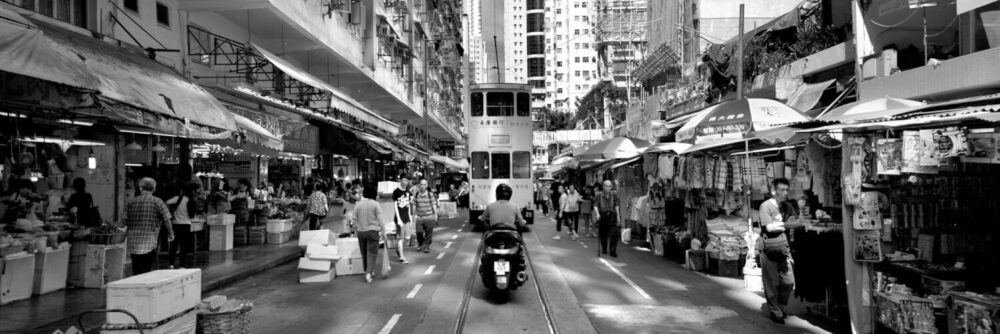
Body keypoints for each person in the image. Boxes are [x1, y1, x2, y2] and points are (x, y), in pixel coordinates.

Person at [757, 178, 796, 324]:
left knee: (788, 281)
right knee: (771, 282)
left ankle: (779, 306)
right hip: (768, 249)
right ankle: (775, 311)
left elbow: (796, 222)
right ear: (773, 191)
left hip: (784, 249)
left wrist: (781, 224)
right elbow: (769, 227)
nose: (785, 193)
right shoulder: (765, 206)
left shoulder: (788, 206)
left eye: (787, 190)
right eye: (782, 190)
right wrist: (787, 224)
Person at [124, 178, 173, 275]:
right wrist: (171, 233)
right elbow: (167, 220)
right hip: (149, 242)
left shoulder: (131, 202)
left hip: (133, 243)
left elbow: (124, 220)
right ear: (154, 189)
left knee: (136, 269)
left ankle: (136, 286)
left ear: (140, 188)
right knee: (146, 270)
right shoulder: (157, 201)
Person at [349, 184, 385, 283]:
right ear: (374, 193)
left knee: (364, 252)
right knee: (372, 253)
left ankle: (369, 270)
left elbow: (354, 220)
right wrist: (384, 232)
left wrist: (356, 231)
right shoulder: (375, 204)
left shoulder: (358, 204)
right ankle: (368, 273)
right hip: (373, 231)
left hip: (361, 232)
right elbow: (380, 219)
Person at [166, 183, 201, 269]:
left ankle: (171, 264)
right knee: (183, 246)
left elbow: (166, 202)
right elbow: (192, 216)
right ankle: (182, 265)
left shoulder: (178, 198)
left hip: (175, 224)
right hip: (186, 225)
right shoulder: (192, 201)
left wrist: (169, 213)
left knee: (173, 245)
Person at [594, 180, 621, 257]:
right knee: (603, 234)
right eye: (606, 186)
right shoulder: (599, 195)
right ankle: (604, 248)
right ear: (603, 186)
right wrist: (597, 214)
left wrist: (618, 216)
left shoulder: (614, 195)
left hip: (612, 215)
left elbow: (616, 205)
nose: (608, 188)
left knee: (614, 233)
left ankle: (613, 251)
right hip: (603, 215)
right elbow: (595, 205)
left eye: (609, 186)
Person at [412, 178, 438, 253]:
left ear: (426, 186)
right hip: (419, 217)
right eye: (421, 184)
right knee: (419, 232)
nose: (422, 186)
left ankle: (426, 246)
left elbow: (434, 205)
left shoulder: (430, 194)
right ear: (419, 185)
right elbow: (414, 205)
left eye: (424, 184)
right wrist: (413, 215)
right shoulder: (416, 194)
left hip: (429, 217)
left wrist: (435, 214)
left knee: (428, 233)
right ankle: (420, 244)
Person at [392, 175, 414, 263]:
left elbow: (408, 205)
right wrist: (398, 219)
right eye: (404, 180)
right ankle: (401, 257)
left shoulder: (408, 192)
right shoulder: (396, 191)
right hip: (399, 218)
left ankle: (398, 249)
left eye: (407, 180)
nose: (405, 182)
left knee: (408, 238)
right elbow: (395, 206)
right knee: (400, 238)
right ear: (400, 180)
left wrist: (410, 217)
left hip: (407, 217)